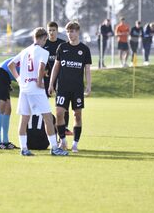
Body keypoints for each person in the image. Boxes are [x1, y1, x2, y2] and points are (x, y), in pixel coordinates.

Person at [8, 27, 68, 157]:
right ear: (43, 38)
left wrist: (18, 79)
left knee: (24, 119)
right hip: (36, 90)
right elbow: (41, 67)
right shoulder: (42, 52)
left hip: (24, 89)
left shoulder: (25, 51)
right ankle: (54, 148)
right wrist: (40, 81)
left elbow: (11, 65)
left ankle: (24, 149)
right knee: (47, 118)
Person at [49, 21, 92, 153]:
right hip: (62, 87)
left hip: (77, 88)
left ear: (78, 32)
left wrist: (89, 85)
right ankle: (63, 140)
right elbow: (56, 67)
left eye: (72, 31)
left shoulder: (84, 50)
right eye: (68, 32)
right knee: (59, 113)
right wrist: (51, 83)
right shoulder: (62, 47)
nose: (70, 34)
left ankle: (75, 143)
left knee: (77, 115)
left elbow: (87, 70)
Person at [43, 21, 72, 135]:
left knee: (62, 104)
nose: (51, 32)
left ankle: (64, 128)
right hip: (46, 79)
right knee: (43, 103)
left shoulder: (62, 44)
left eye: (53, 30)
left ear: (57, 31)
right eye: (49, 30)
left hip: (60, 79)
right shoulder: (44, 44)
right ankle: (43, 125)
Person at [0, 57, 19, 149]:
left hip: (5, 78)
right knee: (0, 107)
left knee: (8, 109)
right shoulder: (27, 58)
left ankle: (5, 141)